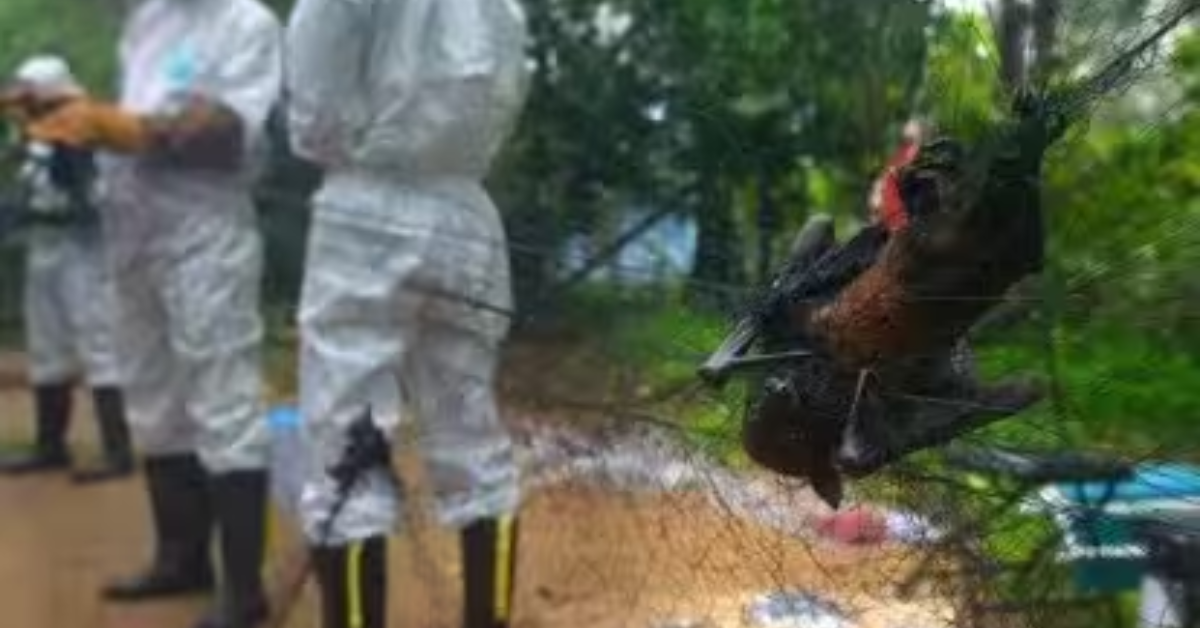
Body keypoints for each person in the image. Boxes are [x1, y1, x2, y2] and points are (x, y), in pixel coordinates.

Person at [17, 0, 283, 626]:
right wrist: (77, 122)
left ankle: (243, 589)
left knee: (222, 400)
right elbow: (128, 119)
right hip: (133, 229)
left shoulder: (245, 23)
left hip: (203, 232)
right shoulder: (149, 20)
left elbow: (229, 132)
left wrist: (124, 128)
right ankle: (179, 558)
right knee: (155, 400)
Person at [284, 0, 530, 626]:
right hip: (465, 211)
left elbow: (314, 112)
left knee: (346, 442)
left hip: (362, 209)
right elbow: (505, 95)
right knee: (472, 433)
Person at [0, 55, 133, 483]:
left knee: (99, 341)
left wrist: (45, 205)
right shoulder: (34, 135)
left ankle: (117, 450)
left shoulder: (81, 131)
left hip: (85, 252)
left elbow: (93, 201)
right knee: (46, 345)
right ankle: (50, 445)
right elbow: (27, 192)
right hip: (45, 248)